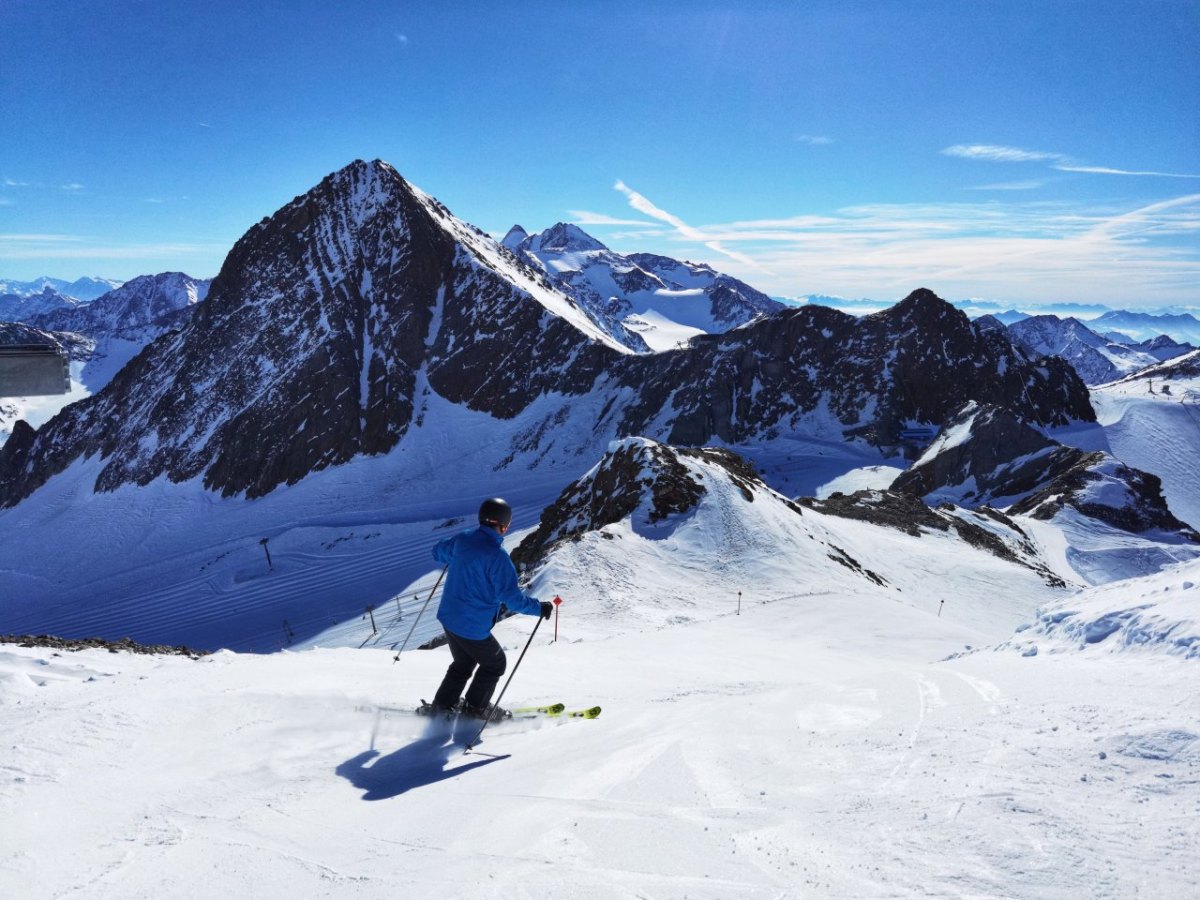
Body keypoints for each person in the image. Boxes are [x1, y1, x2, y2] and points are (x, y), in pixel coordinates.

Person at [422, 497, 552, 721]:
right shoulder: (498, 558)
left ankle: (442, 707)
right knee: (495, 663)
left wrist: (456, 552)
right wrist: (539, 608)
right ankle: (475, 709)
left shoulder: (463, 540)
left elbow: (438, 552)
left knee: (463, 663)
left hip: (449, 618)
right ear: (504, 525)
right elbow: (512, 600)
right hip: (471, 626)